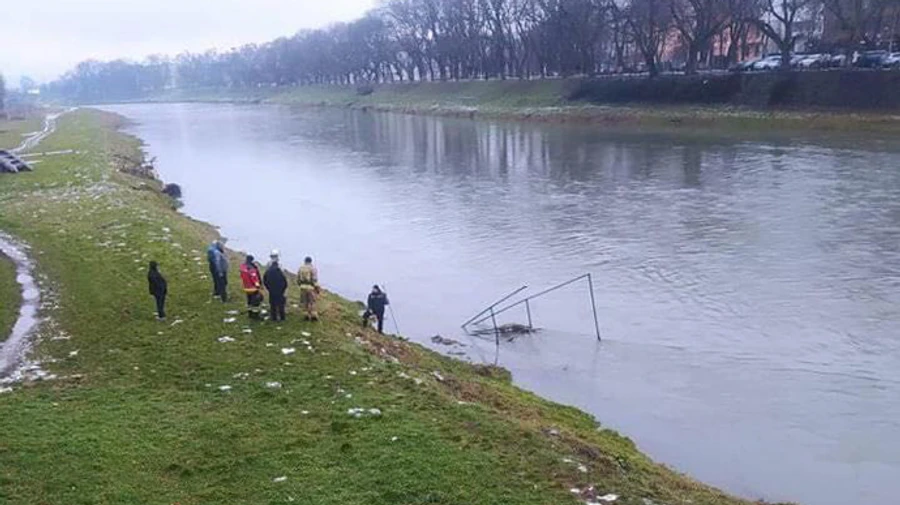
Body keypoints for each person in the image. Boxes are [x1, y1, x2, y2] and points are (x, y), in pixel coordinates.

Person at [263, 250, 288, 322]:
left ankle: (274, 317)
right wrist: (283, 289)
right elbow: (284, 280)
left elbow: (265, 279)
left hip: (272, 289)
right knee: (281, 304)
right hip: (279, 290)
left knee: (273, 304)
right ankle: (282, 317)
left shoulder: (269, 268)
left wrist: (268, 288)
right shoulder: (279, 268)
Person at [239, 255, 264, 320]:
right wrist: (258, 286)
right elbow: (254, 278)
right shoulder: (251, 269)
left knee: (249, 301)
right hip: (253, 288)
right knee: (255, 303)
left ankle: (250, 313)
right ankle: (255, 315)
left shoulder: (242, 267)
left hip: (246, 287)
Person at [297, 256, 320, 321]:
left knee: (305, 302)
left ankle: (306, 315)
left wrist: (300, 285)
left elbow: (298, 278)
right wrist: (317, 288)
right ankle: (313, 315)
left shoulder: (300, 268)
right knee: (312, 302)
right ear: (311, 261)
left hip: (302, 287)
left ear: (305, 261)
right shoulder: (313, 268)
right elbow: (314, 279)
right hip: (310, 287)